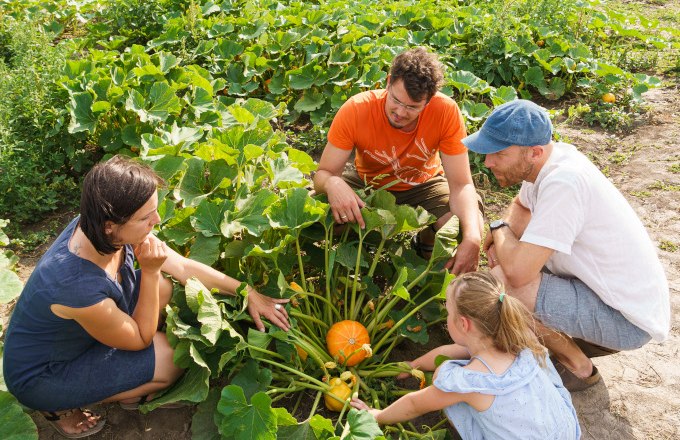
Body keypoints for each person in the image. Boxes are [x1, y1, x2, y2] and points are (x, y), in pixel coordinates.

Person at [3, 156, 290, 438]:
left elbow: (181, 267)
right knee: (169, 357)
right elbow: (141, 338)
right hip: (44, 374)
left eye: (154, 209)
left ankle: (126, 379)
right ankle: (61, 406)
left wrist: (248, 292)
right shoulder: (75, 285)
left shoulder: (100, 228)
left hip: (82, 333)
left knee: (165, 286)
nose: (157, 219)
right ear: (109, 225)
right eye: (145, 217)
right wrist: (149, 272)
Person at [462, 99, 670, 391]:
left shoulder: (564, 182)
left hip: (625, 318)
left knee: (504, 288)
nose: (487, 162)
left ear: (533, 152)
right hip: (608, 292)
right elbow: (520, 206)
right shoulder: (550, 160)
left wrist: (498, 229)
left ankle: (578, 367)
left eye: (499, 153)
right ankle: (549, 342)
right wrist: (506, 236)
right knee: (503, 271)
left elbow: (519, 274)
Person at [312, 47, 483, 274]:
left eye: (412, 107)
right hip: (369, 184)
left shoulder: (446, 111)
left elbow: (462, 184)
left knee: (461, 223)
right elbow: (323, 174)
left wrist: (473, 237)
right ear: (388, 81)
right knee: (316, 213)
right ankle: (354, 256)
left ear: (429, 100)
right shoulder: (356, 109)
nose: (400, 112)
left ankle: (427, 244)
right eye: (396, 100)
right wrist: (334, 183)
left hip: (425, 184)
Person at [351, 271, 581, 439]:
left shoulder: (470, 383)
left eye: (448, 312)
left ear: (463, 323)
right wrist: (415, 364)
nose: (446, 316)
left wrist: (377, 415)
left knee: (447, 380)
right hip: (564, 431)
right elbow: (451, 351)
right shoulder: (513, 338)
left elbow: (415, 404)